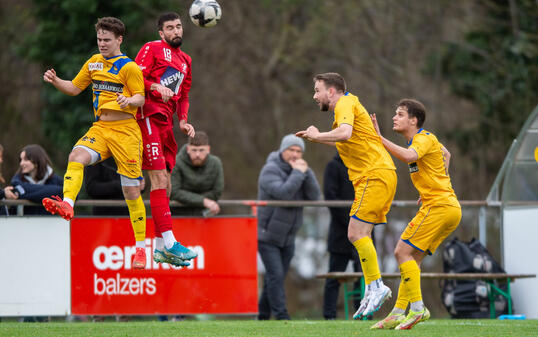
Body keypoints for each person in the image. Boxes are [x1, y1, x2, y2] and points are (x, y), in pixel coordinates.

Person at [41, 17, 148, 269]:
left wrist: (128, 102)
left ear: (119, 40)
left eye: (107, 40)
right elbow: (74, 88)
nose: (102, 44)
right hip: (101, 128)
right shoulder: (93, 62)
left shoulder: (129, 67)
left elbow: (141, 98)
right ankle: (67, 204)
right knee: (75, 156)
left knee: (131, 191)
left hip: (125, 132)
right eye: (99, 39)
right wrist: (56, 80)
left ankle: (140, 249)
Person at [296, 72, 397, 318]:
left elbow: (345, 133)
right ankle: (374, 288)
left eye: (317, 90)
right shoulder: (349, 105)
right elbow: (345, 140)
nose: (314, 96)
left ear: (331, 91)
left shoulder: (344, 103)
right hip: (379, 175)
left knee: (354, 232)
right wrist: (317, 137)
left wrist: (318, 135)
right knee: (362, 235)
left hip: (374, 175)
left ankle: (376, 286)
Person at [369, 99, 461, 330]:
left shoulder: (422, 138)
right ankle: (399, 312)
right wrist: (434, 184)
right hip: (447, 207)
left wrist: (379, 139)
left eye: (399, 114)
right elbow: (446, 154)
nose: (394, 117)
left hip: (439, 207)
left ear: (413, 120)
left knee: (401, 251)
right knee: (412, 260)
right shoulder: (423, 140)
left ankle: (418, 309)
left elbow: (410, 157)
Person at [135, 12, 197, 267]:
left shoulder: (186, 60)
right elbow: (135, 77)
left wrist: (183, 120)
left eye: (178, 26)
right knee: (158, 179)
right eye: (170, 28)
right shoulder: (152, 48)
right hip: (147, 115)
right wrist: (154, 87)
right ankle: (171, 242)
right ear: (161, 33)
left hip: (167, 123)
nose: (175, 31)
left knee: (167, 184)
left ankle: (161, 249)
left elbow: (183, 95)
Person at [257, 134, 321, 320]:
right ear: (282, 150)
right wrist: (298, 173)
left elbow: (315, 197)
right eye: (291, 150)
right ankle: (282, 316)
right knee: (275, 276)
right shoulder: (269, 170)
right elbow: (283, 194)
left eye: (298, 151)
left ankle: (262, 316)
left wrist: (307, 173)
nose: (295, 154)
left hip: (289, 236)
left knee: (275, 278)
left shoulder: (300, 171)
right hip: (267, 234)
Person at [322, 152, 372, 320]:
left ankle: (363, 313)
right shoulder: (333, 166)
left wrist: (363, 223)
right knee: (334, 276)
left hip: (364, 231)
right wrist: (352, 222)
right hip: (340, 232)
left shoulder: (365, 165)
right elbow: (330, 198)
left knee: (365, 276)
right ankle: (329, 316)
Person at [170, 131, 224, 216]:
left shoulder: (216, 163)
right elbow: (173, 192)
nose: (197, 154)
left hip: (206, 213)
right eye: (194, 150)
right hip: (178, 214)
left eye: (201, 150)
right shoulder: (175, 162)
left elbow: (217, 192)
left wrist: (189, 198)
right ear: (188, 149)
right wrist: (204, 201)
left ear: (208, 149)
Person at [5, 145, 63, 215]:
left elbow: (73, 194)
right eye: (21, 160)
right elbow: (62, 192)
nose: (21, 163)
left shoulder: (55, 179)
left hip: (50, 224)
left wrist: (28, 193)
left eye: (26, 160)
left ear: (37, 161)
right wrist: (55, 192)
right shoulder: (17, 180)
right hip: (23, 223)